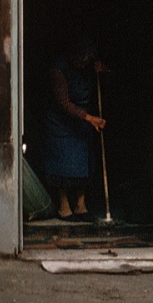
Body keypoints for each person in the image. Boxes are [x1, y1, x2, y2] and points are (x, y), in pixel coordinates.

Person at [40, 37, 106, 220]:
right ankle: (64, 206)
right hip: (60, 121)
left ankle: (81, 205)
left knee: (84, 161)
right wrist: (89, 118)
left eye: (86, 62)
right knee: (63, 163)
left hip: (82, 118)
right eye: (80, 61)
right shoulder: (58, 70)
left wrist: (101, 71)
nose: (82, 65)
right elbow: (64, 103)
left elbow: (107, 75)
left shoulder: (89, 65)